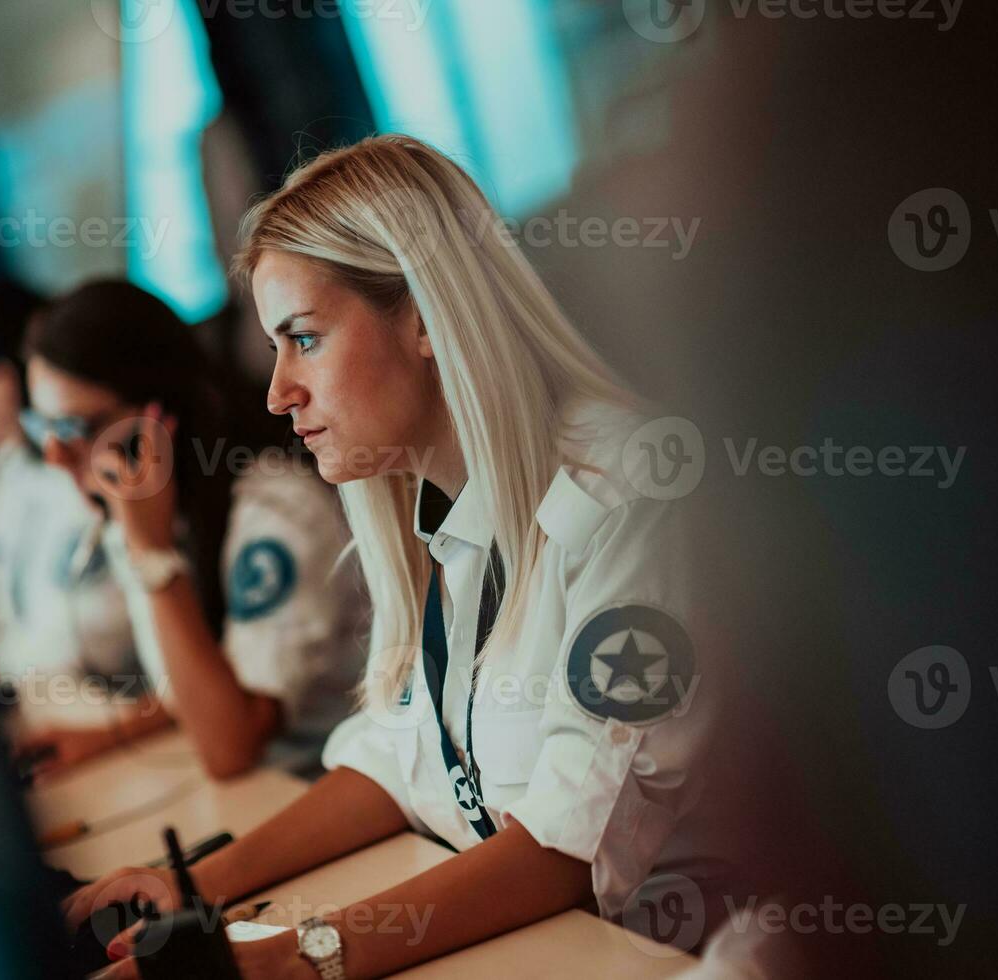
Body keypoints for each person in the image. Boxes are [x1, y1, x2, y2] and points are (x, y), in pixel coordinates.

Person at [68, 135, 715, 979]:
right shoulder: (445, 506)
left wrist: (294, 961)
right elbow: (397, 757)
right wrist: (191, 888)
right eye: (274, 348)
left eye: (303, 338)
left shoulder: (629, 499)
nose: (277, 393)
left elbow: (563, 847)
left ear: (422, 320)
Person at [15, 280, 368, 778]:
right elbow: (201, 681)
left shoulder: (274, 514)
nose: (53, 455)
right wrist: (111, 736)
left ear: (158, 416)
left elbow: (232, 744)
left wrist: (153, 559)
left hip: (332, 788)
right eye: (42, 428)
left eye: (76, 427)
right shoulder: (151, 513)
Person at [0, 277, 136, 694]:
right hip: (45, 701)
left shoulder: (94, 467)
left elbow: (109, 633)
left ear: (1, 383)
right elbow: (6, 604)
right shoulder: (8, 467)